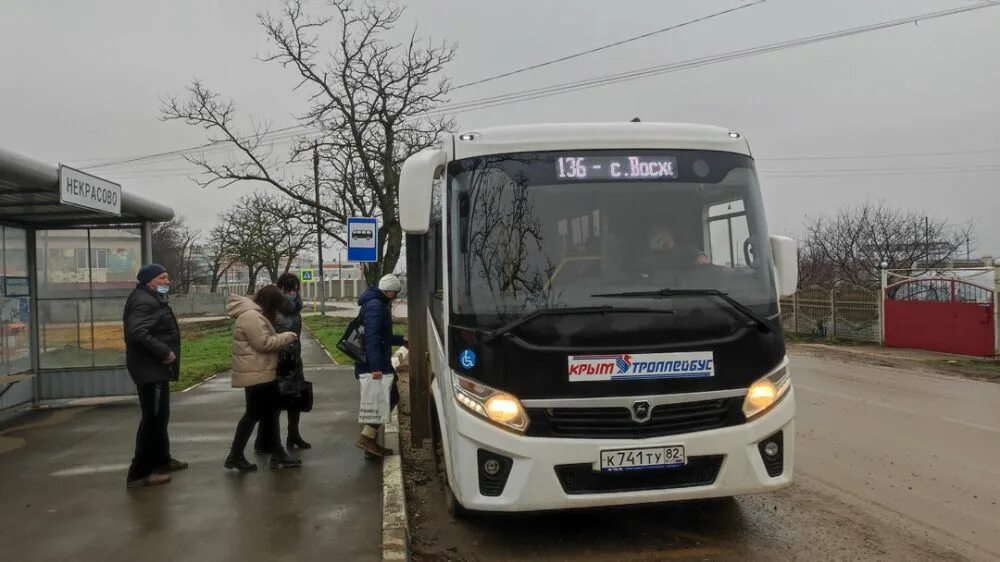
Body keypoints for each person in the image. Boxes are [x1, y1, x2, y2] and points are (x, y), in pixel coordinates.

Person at [225, 285, 301, 472]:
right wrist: (287, 337)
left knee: (267, 414)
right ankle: (239, 455)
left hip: (259, 372)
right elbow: (264, 343)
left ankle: (271, 452)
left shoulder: (252, 313)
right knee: (256, 415)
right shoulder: (252, 316)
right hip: (258, 374)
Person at [124, 263, 185, 489]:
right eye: (162, 278)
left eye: (167, 278)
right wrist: (165, 351)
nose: (166, 282)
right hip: (149, 369)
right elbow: (136, 332)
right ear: (149, 281)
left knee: (160, 418)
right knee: (152, 420)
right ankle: (138, 473)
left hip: (155, 368)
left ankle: (161, 460)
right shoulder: (144, 301)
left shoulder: (150, 298)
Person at [254, 273, 310, 453]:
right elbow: (266, 337)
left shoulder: (296, 308)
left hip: (295, 361)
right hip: (277, 361)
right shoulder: (271, 309)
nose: (291, 293)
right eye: (287, 289)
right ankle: (264, 441)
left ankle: (293, 435)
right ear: (280, 289)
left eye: (294, 289)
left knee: (296, 400)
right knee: (273, 403)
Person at [355, 274, 408, 458]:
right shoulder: (377, 306)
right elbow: (372, 338)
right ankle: (367, 437)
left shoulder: (375, 303)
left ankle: (370, 445)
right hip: (374, 363)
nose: (395, 297)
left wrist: (402, 340)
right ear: (389, 291)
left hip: (374, 361)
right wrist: (376, 367)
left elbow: (381, 336)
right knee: (390, 396)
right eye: (395, 293)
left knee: (377, 400)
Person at [645, 222, 710, 268]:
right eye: (651, 233)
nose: (653, 236)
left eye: (656, 232)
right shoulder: (653, 256)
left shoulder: (689, 251)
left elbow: (703, 261)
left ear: (666, 232)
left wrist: (700, 259)